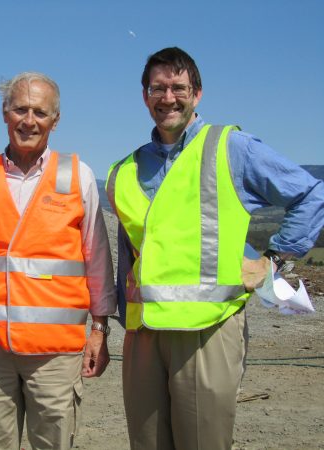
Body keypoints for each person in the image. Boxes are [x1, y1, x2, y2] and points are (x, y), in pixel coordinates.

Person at [106, 47, 324, 450]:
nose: (168, 97)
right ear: (144, 96)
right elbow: (130, 257)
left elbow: (311, 193)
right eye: (158, 88)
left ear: (198, 93)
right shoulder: (123, 171)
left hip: (209, 331)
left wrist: (272, 260)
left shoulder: (230, 147)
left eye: (178, 87)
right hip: (144, 336)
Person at [0, 71, 116, 450]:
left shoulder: (77, 176)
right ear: (5, 113)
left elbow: (97, 261)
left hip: (55, 353)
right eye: (20, 109)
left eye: (40, 111)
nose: (29, 120)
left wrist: (99, 330)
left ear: (55, 119)